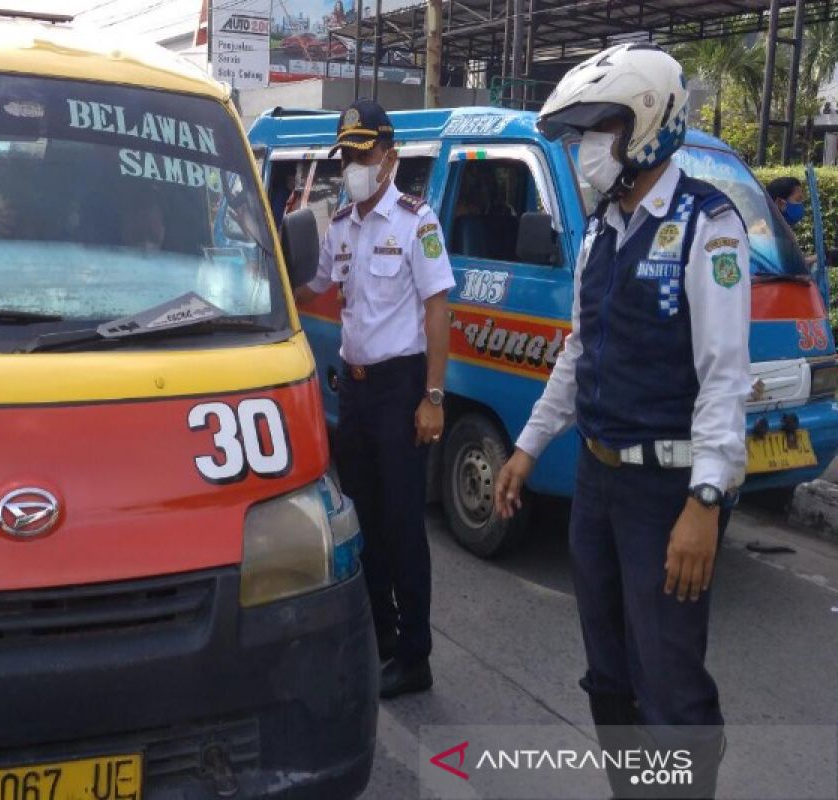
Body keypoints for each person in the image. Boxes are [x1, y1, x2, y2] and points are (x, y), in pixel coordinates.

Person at [493, 44, 750, 798]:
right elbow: (579, 352)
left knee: (668, 681)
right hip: (597, 484)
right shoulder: (602, 229)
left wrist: (705, 501)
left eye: (596, 130)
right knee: (607, 669)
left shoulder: (710, 225)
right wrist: (528, 448)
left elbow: (725, 376)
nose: (584, 150)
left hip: (667, 494)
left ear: (645, 127)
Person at [293, 98, 453, 699]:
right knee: (363, 522)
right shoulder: (342, 224)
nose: (354, 164)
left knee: (404, 526)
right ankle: (381, 636)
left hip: (401, 390)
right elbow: (313, 285)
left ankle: (416, 655)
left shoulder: (417, 222)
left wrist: (433, 396)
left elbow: (438, 309)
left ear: (389, 157)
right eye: (348, 155)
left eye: (363, 153)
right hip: (355, 394)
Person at [766, 175, 818, 267]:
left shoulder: (780, 228)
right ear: (780, 203)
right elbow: (785, 267)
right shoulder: (767, 232)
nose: (801, 205)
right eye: (798, 200)